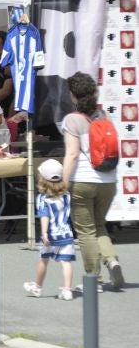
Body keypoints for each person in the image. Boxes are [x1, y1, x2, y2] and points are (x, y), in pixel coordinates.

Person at [61, 72, 125, 291]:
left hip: (84, 181)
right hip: (108, 180)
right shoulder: (103, 115)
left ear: (73, 95)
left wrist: (63, 182)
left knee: (85, 231)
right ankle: (112, 260)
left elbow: (72, 155)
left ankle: (93, 278)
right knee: (99, 226)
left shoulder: (72, 120)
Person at [24, 159, 75, 300]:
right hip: (66, 233)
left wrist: (44, 232)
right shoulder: (66, 195)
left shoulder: (43, 198)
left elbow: (44, 216)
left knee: (43, 260)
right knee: (66, 262)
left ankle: (38, 287)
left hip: (51, 234)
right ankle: (67, 290)